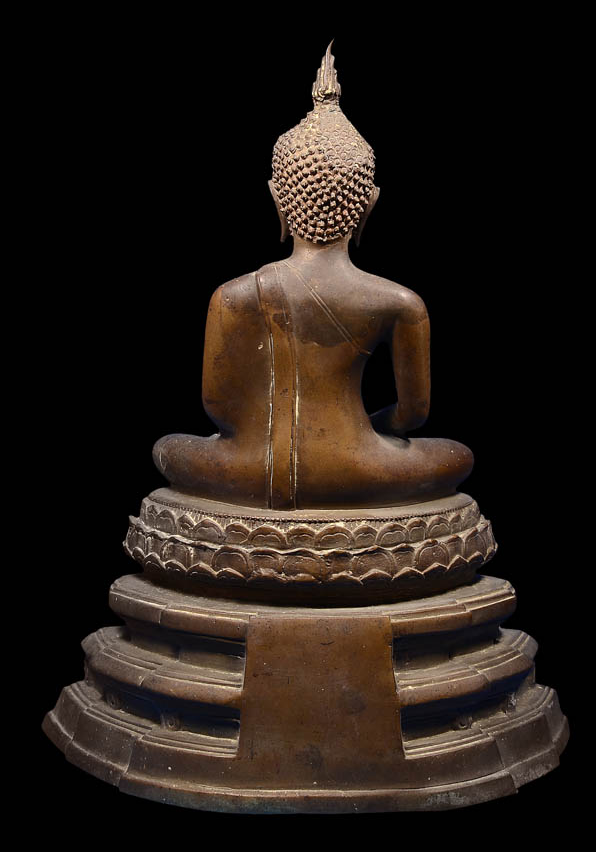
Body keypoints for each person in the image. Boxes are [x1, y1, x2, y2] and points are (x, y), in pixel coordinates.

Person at [153, 44, 473, 510]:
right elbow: (412, 414)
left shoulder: (232, 296)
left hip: (253, 468)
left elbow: (217, 408)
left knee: (168, 448)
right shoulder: (402, 303)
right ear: (369, 205)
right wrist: (368, 431)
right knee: (456, 456)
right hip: (362, 468)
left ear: (277, 200)